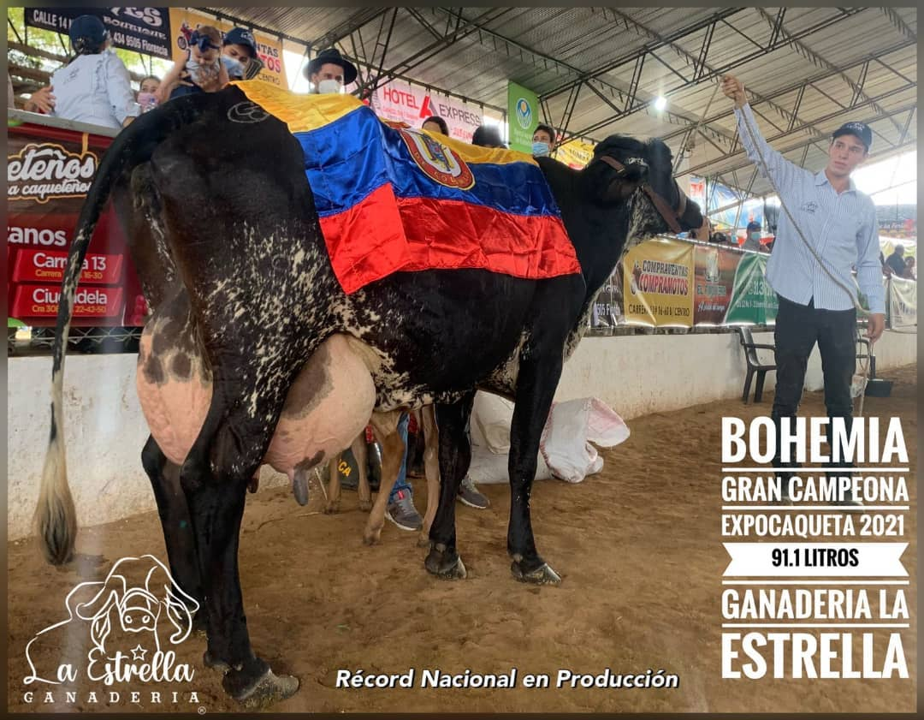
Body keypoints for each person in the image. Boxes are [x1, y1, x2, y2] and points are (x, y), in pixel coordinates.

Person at [722, 73, 885, 507]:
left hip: (839, 309)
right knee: (788, 393)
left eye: (854, 149)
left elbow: (870, 260)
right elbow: (759, 151)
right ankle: (783, 477)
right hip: (794, 302)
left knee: (839, 398)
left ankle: (841, 484)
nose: (845, 153)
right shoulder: (794, 181)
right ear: (830, 147)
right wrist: (742, 105)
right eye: (840, 145)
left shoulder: (864, 207)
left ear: (863, 157)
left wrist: (877, 308)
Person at [26, 15, 139, 130]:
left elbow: (46, 116)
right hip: (101, 136)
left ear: (73, 45)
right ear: (105, 42)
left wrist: (31, 101)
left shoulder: (59, 77)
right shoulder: (109, 62)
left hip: (65, 138)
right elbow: (124, 109)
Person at [158, 26, 228, 102]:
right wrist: (161, 88)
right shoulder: (187, 55)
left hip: (206, 93)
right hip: (187, 87)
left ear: (218, 53)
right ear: (191, 47)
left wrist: (218, 90)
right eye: (198, 57)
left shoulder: (220, 63)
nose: (202, 62)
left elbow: (225, 84)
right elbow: (172, 73)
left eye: (208, 59)